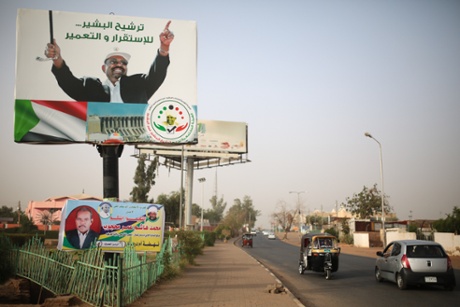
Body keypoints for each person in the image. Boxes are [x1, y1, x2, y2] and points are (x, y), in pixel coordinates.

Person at [44, 21, 175, 103]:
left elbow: (157, 74)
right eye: (113, 61)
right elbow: (67, 82)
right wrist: (57, 58)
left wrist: (164, 48)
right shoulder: (90, 86)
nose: (119, 64)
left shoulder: (139, 85)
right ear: (103, 68)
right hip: (99, 136)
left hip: (132, 140)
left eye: (124, 63)